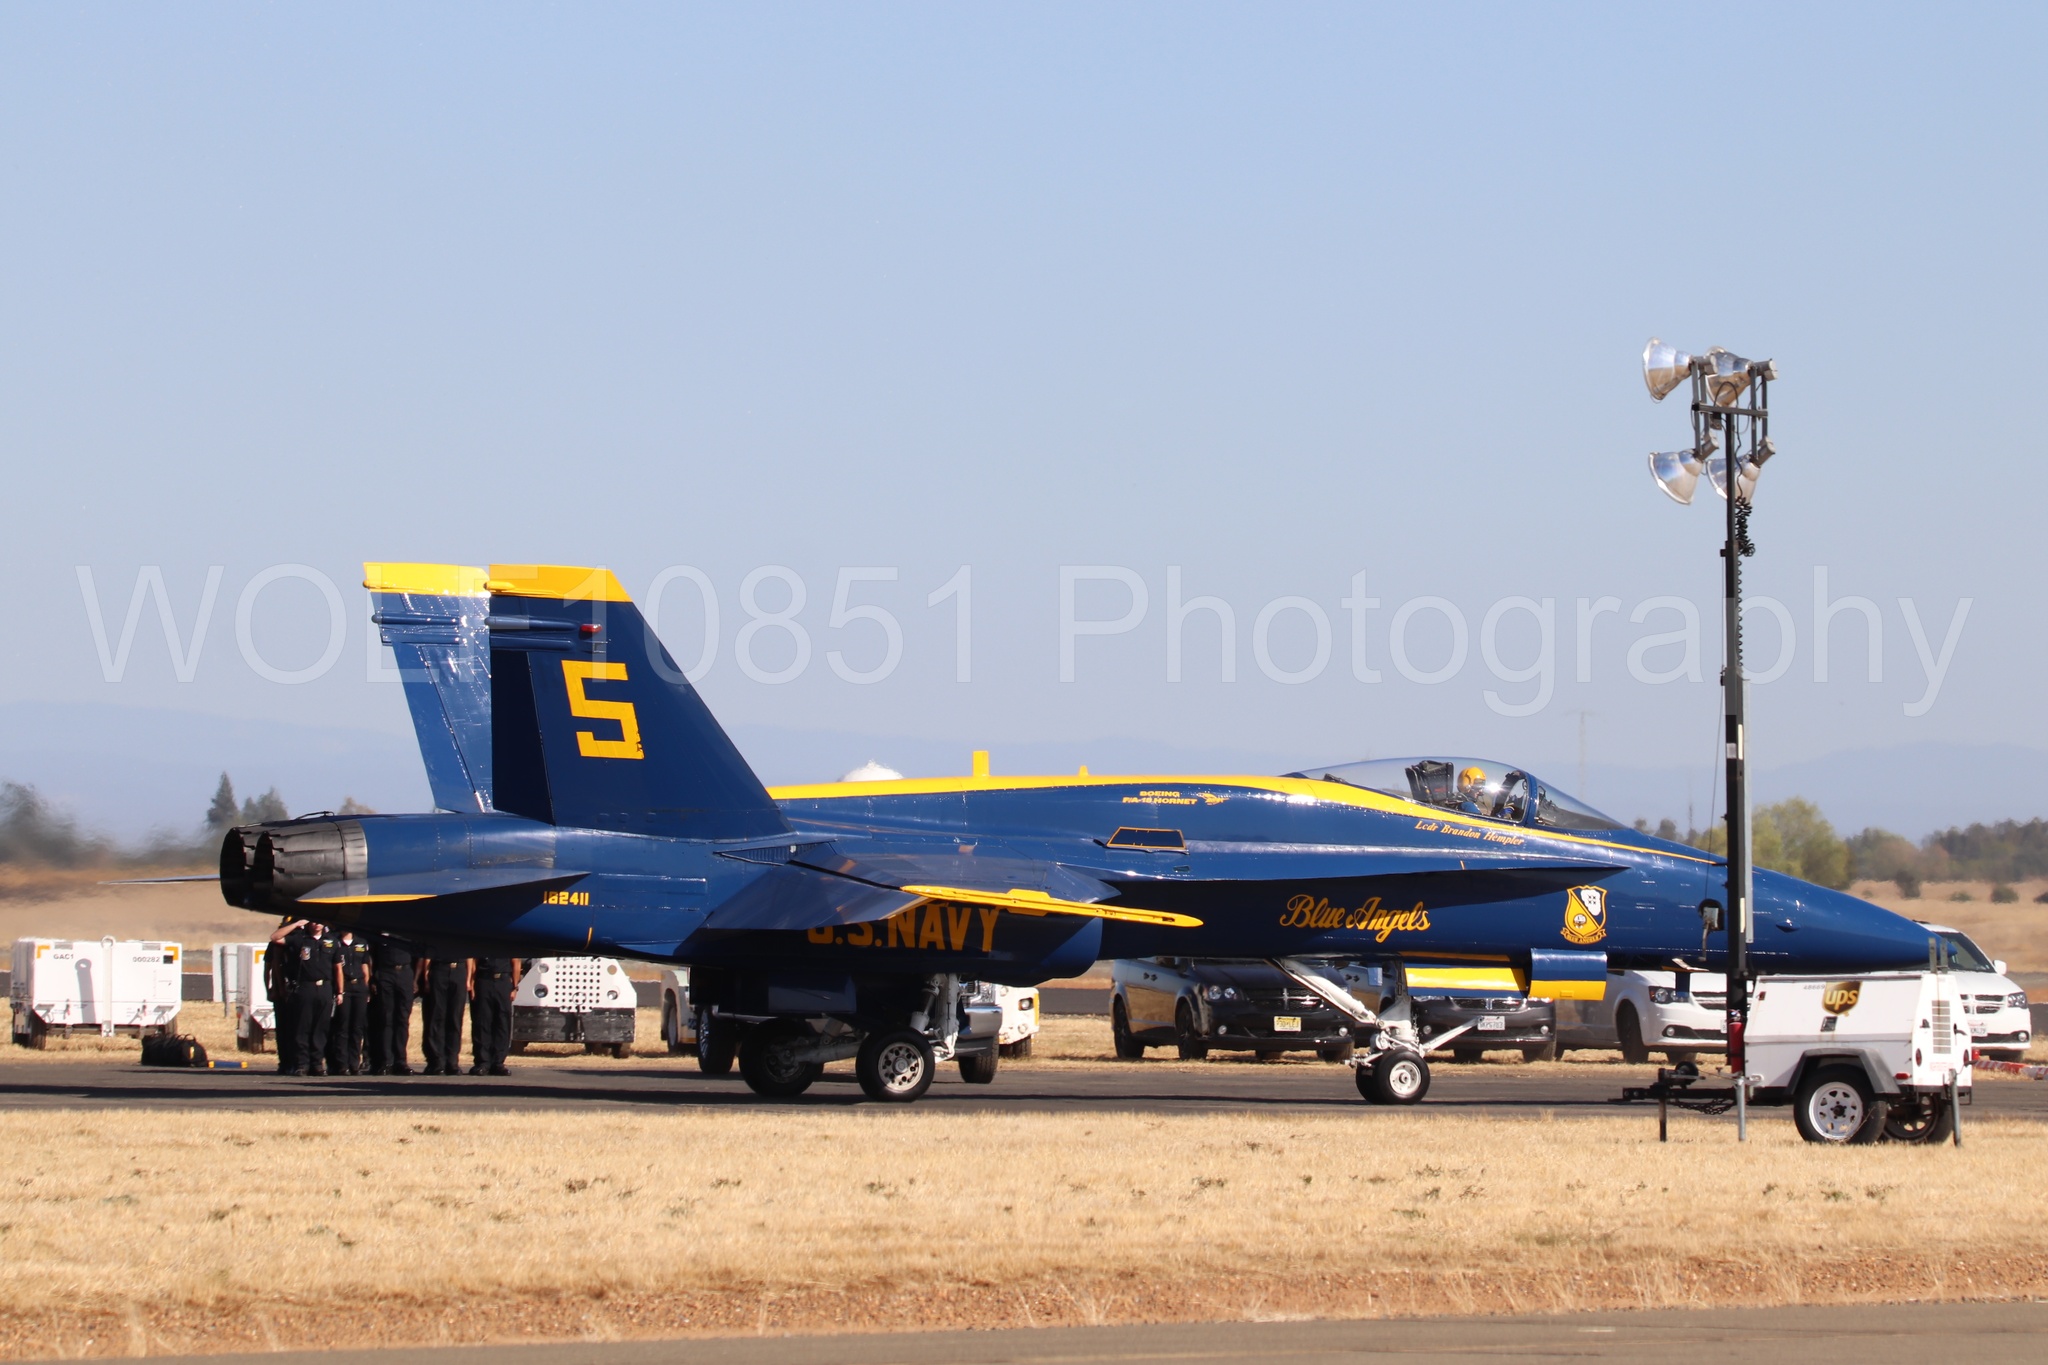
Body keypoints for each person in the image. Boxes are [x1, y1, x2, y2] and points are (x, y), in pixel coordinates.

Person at [276, 920, 341, 1076]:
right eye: (313, 921)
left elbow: (337, 967)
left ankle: (317, 1064)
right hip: (305, 987)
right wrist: (295, 925)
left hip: (325, 987)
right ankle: (302, 1064)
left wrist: (339, 991)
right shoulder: (300, 939)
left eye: (320, 921)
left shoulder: (332, 941)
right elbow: (275, 937)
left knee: (321, 1028)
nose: (316, 924)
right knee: (302, 1027)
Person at [366, 932, 420, 1075]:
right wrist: (373, 978)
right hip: (385, 972)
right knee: (386, 1018)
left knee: (402, 1019)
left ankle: (401, 1061)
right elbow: (371, 955)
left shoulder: (408, 933)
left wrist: (415, 980)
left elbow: (418, 955)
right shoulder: (381, 933)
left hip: (405, 972)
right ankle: (386, 1061)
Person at [326, 929, 373, 1075]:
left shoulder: (361, 943)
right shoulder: (335, 942)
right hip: (344, 986)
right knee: (343, 1026)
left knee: (357, 1027)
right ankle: (342, 1064)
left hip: (359, 987)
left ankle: (354, 1064)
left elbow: (365, 965)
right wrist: (338, 990)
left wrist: (366, 987)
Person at [467, 955, 520, 1075]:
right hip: (484, 980)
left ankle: (498, 1063)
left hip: (503, 981)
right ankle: (483, 1062)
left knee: (502, 1023)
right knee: (482, 1022)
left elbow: (516, 962)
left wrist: (515, 987)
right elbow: (474, 962)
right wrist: (472, 983)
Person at [420, 954, 471, 1076]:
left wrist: (468, 979)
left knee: (455, 1018)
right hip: (439, 968)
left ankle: (452, 1061)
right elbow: (428, 954)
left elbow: (470, 957)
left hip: (459, 970)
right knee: (437, 1018)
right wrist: (426, 976)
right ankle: (437, 1062)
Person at [264, 918, 300, 1074]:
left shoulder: (300, 941)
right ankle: (285, 1062)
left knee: (297, 1028)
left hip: (297, 989)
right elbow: (269, 968)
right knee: (283, 1029)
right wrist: (270, 990)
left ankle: (296, 1061)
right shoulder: (275, 945)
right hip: (281, 990)